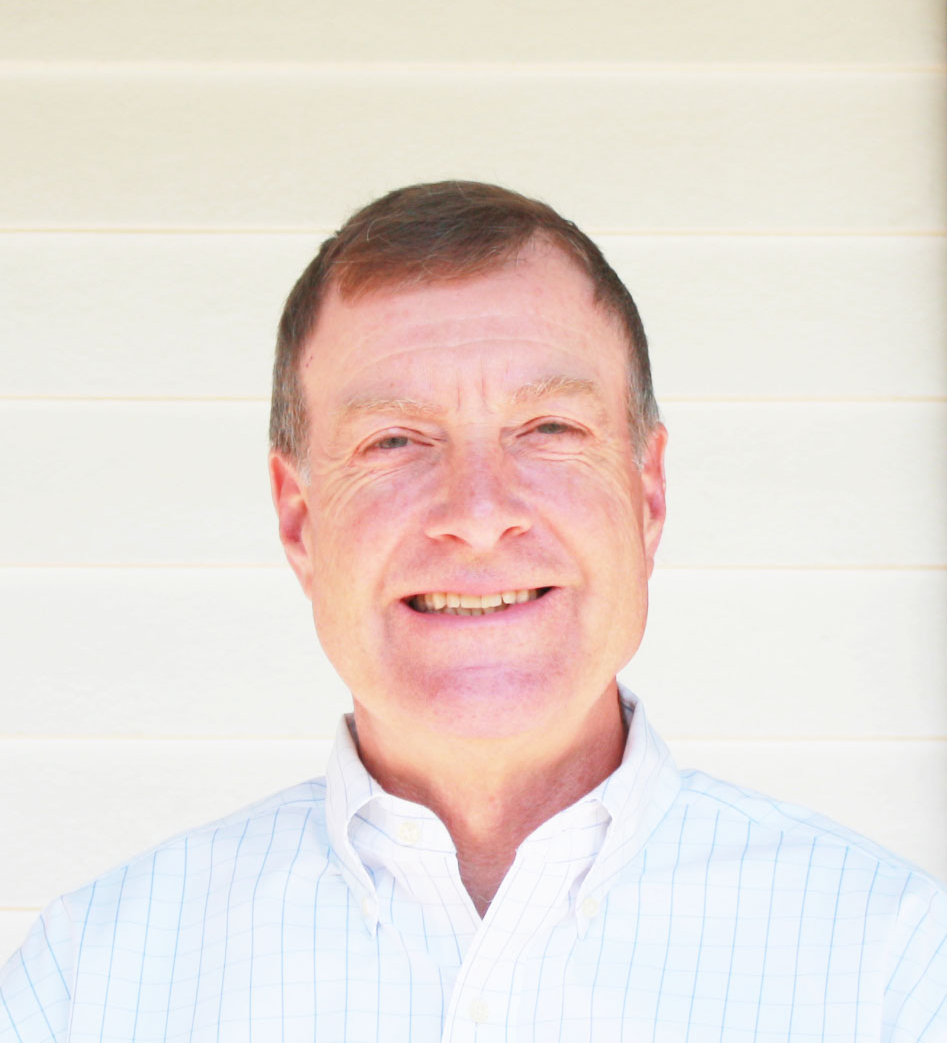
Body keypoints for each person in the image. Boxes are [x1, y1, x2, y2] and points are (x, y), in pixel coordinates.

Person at [2, 181, 944, 1042]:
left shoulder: (892, 968)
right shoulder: (94, 981)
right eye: (395, 440)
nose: (479, 512)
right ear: (299, 519)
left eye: (547, 430)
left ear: (647, 495)